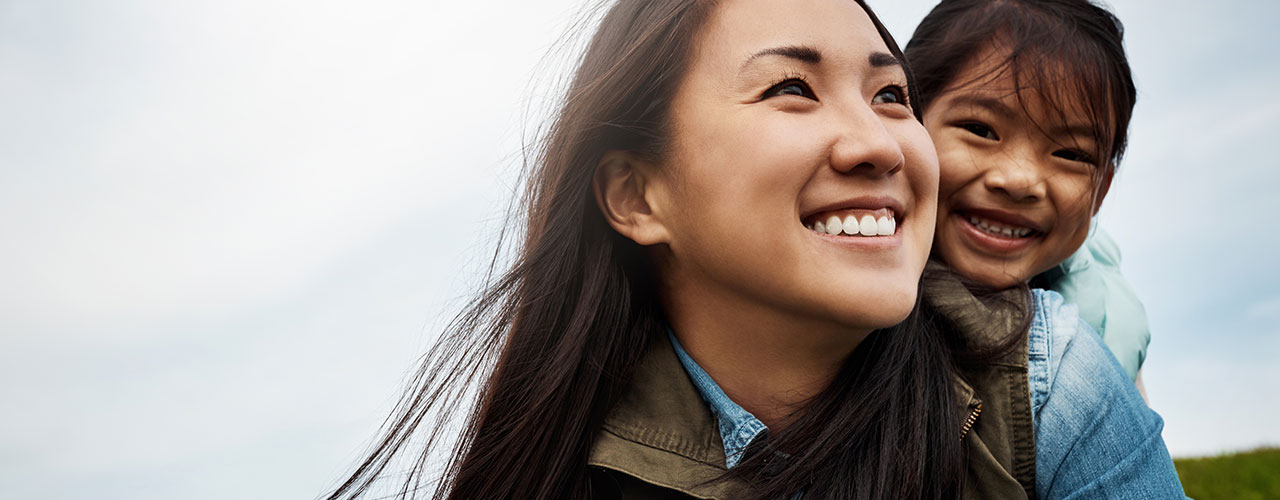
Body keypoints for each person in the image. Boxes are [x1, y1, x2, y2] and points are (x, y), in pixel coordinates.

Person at [325, 0, 1184, 499]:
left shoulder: (1046, 374)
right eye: (790, 88)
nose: (879, 142)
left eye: (890, 94)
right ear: (636, 194)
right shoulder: (564, 461)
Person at [907, 0, 1151, 383]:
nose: (1020, 181)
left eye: (1070, 154)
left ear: (1100, 193)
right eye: (981, 130)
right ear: (902, 124)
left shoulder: (1104, 341)